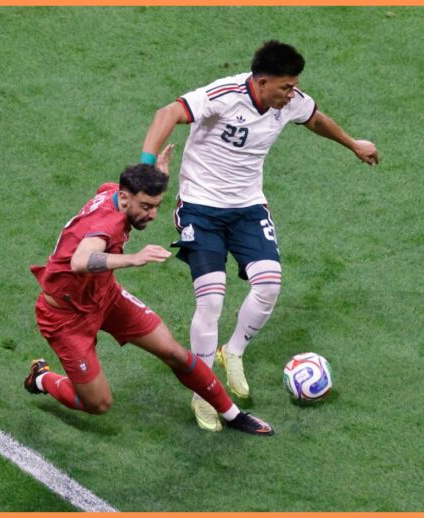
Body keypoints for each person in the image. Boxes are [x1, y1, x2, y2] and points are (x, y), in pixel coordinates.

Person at [140, 40, 378, 431]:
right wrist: (146, 166)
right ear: (262, 81)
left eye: (294, 86)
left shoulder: (291, 101)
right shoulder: (224, 95)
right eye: (285, 87)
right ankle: (203, 391)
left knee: (269, 285)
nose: (292, 94)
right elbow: (167, 112)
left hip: (248, 207)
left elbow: (315, 118)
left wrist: (352, 144)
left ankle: (231, 352)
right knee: (212, 297)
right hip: (201, 206)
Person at [24, 145, 273, 435]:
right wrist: (133, 258)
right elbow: (80, 261)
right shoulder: (108, 223)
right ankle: (41, 377)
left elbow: (122, 189)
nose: (153, 214)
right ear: (126, 198)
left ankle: (233, 415)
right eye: (146, 207)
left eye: (156, 205)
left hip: (106, 296)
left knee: (175, 353)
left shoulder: (113, 193)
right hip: (66, 318)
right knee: (99, 403)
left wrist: (159, 173)